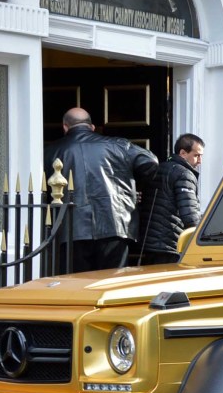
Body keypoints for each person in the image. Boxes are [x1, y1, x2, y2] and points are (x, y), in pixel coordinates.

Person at [44, 107, 159, 273]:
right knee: (112, 283)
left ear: (65, 127)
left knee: (76, 285)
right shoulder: (118, 145)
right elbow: (151, 162)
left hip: (71, 228)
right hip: (114, 224)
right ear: (92, 127)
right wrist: (130, 189)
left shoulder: (51, 152)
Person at [136, 133, 204, 265]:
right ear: (183, 153)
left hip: (148, 243)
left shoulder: (157, 168)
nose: (200, 161)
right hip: (169, 243)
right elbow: (190, 215)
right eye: (197, 155)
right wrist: (202, 237)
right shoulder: (184, 174)